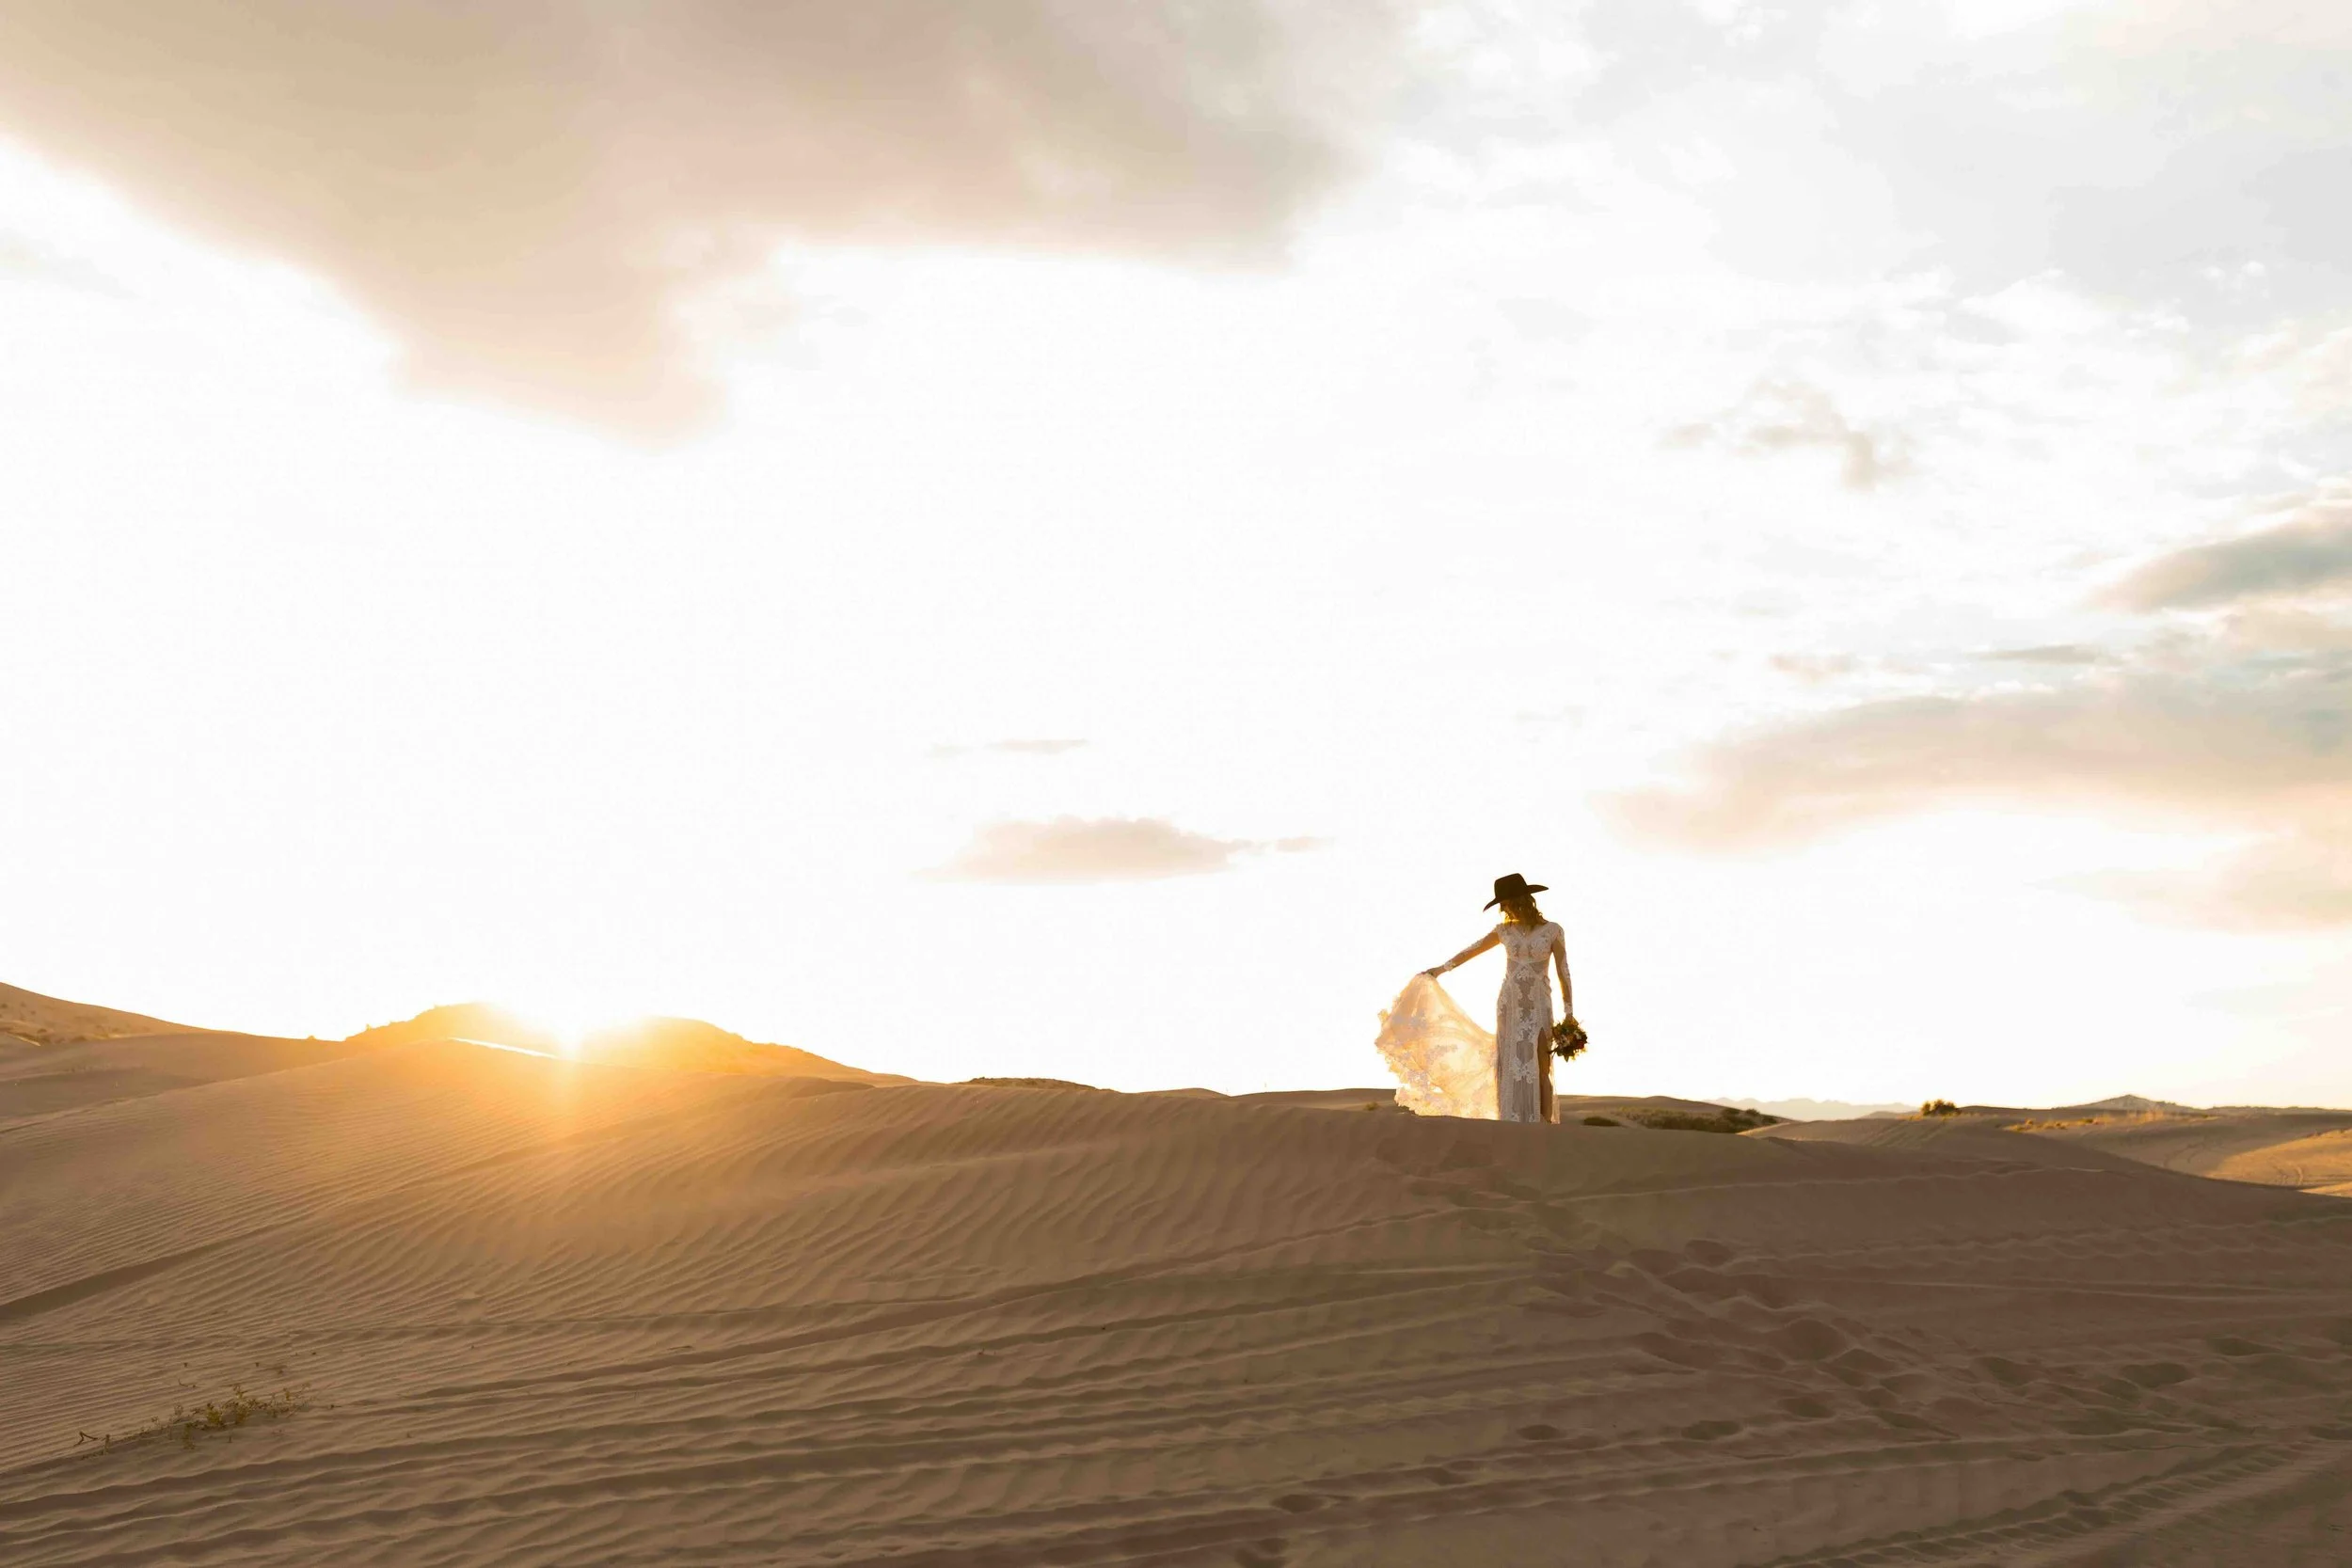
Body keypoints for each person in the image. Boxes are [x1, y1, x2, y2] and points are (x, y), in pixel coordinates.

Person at [1424, 873, 1575, 1123]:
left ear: (1520, 900)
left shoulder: (1553, 930)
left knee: (1541, 1061)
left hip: (1539, 1004)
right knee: (1510, 1060)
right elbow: (1471, 950)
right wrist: (1440, 969)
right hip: (1510, 1004)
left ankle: (1545, 1123)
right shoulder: (1503, 931)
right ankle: (1511, 1120)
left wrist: (1569, 1012)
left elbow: (1563, 971)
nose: (1502, 909)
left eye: (1504, 903)